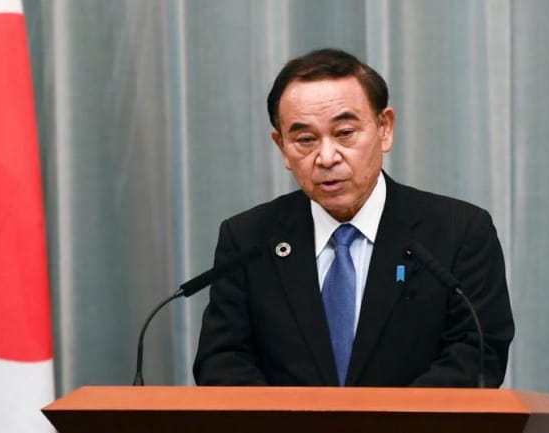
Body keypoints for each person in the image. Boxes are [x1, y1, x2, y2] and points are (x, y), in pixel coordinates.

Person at [193, 48, 514, 387]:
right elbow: (222, 361)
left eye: (344, 133)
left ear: (384, 128)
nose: (326, 157)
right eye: (305, 139)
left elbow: (476, 353)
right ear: (282, 146)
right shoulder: (248, 239)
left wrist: (387, 416)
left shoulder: (458, 232)